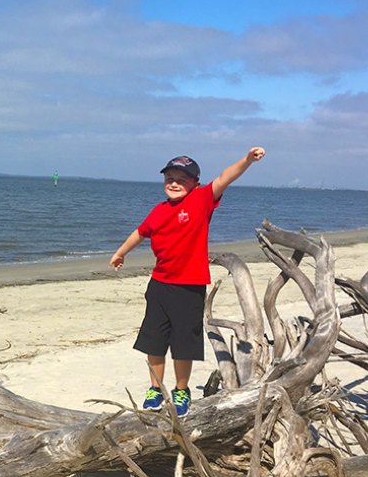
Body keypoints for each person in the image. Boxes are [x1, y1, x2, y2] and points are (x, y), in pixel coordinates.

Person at [109, 148, 266, 416]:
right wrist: (121, 252)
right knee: (153, 342)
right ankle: (155, 389)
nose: (174, 183)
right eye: (169, 178)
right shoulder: (158, 211)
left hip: (190, 287)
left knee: (183, 344)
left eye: (181, 179)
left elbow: (225, 177)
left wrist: (247, 160)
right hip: (159, 285)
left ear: (195, 183)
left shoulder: (201, 200)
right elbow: (140, 232)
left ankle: (182, 391)